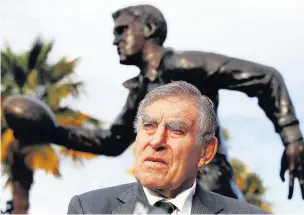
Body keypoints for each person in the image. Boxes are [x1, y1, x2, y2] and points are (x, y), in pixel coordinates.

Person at [8, 4, 304, 199]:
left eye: (122, 31)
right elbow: (113, 141)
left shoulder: (183, 64)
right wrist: (54, 133)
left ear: (148, 30)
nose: (115, 41)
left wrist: (291, 137)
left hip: (208, 188)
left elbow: (265, 77)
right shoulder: (140, 90)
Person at [67, 81, 266, 214]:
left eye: (176, 130)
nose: (156, 141)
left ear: (205, 151)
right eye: (148, 126)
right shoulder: (89, 209)